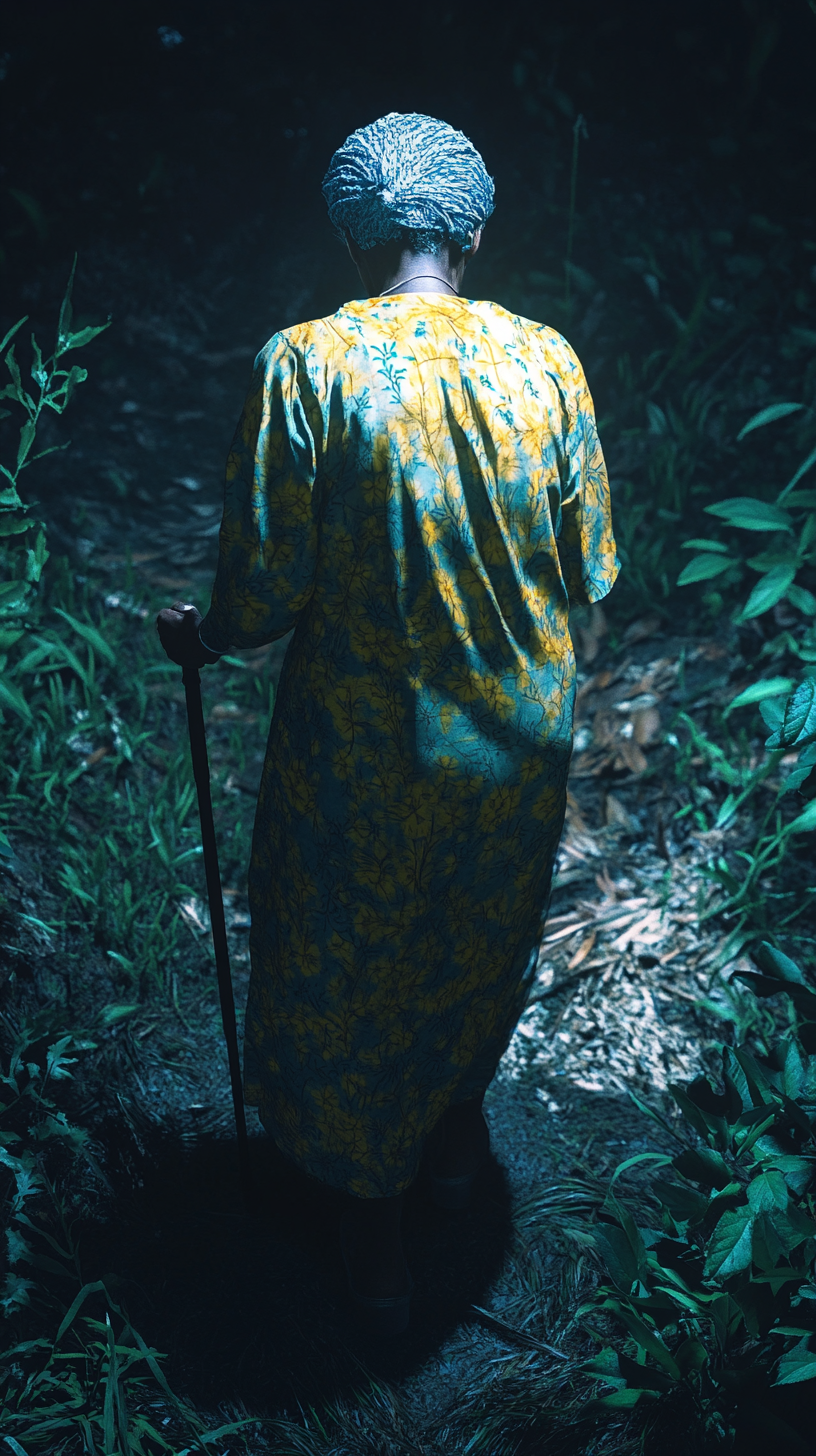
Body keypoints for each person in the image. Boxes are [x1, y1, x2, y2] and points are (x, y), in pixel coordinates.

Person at [157, 111, 619, 1335]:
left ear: (356, 234)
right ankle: (459, 1147)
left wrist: (200, 636)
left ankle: (375, 1248)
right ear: (471, 225)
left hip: (366, 748)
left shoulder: (307, 364)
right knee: (479, 937)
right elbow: (589, 573)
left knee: (350, 962)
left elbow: (262, 596)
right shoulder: (548, 362)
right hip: (517, 741)